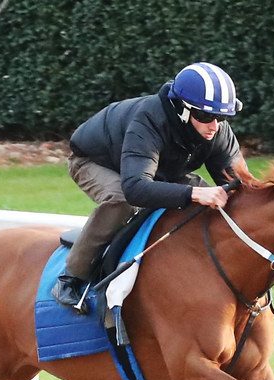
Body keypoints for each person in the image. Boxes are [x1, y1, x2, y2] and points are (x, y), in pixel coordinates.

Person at [53, 62, 246, 311]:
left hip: (155, 169)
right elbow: (135, 189)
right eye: (206, 116)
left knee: (215, 201)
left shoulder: (216, 130)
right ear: (182, 110)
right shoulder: (149, 120)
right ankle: (72, 276)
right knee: (121, 200)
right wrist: (195, 193)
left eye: (221, 117)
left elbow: (239, 187)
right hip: (96, 161)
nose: (215, 126)